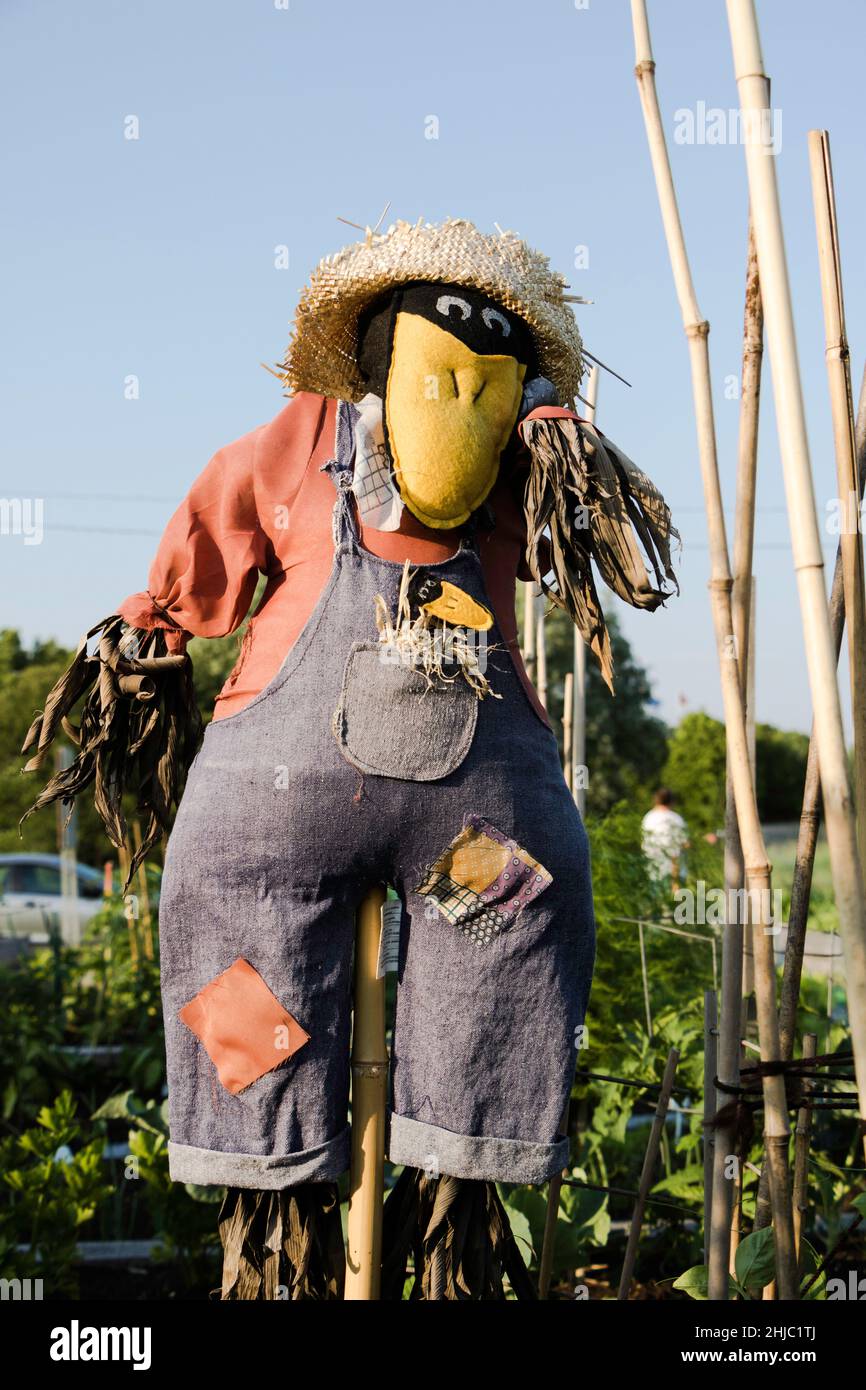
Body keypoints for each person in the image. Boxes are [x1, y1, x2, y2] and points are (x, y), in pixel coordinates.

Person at [642, 787, 690, 885]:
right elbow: (685, 844)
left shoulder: (647, 818)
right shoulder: (676, 819)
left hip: (653, 870)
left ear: (656, 800)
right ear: (671, 801)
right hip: (674, 873)